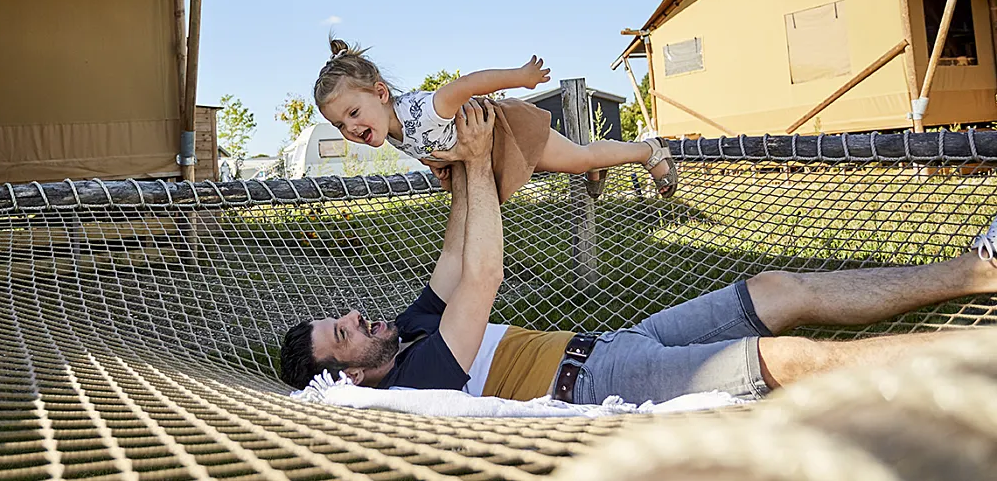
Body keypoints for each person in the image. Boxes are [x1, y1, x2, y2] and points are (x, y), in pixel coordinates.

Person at [279, 100, 997, 405]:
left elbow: (456, 255)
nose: (352, 316)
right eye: (340, 333)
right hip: (600, 382)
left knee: (777, 287)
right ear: (351, 379)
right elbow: (485, 275)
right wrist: (470, 161)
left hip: (614, 340)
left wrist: (469, 161)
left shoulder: (406, 331)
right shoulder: (419, 380)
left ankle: (978, 270)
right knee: (788, 359)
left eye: (339, 318)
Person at [312, 37, 677, 202]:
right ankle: (596, 166)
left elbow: (467, 84)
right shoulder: (392, 131)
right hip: (485, 150)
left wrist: (521, 76)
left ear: (380, 94)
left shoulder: (420, 110)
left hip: (506, 129)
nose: (351, 128)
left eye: (354, 113)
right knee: (577, 159)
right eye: (341, 125)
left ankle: (648, 151)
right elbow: (438, 147)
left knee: (578, 158)